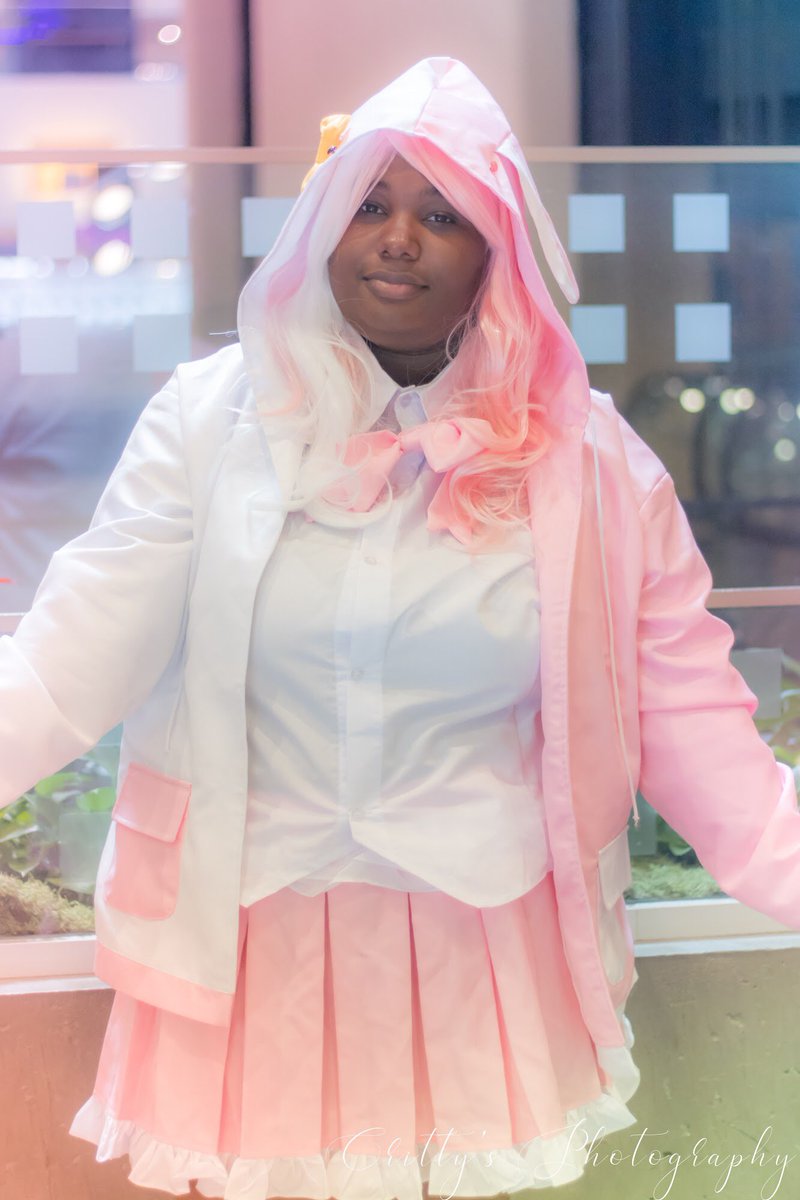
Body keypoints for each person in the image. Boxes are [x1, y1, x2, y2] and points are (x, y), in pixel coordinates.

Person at [1, 56, 799, 1200]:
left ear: (495, 250)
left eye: (441, 215)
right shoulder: (207, 422)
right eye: (369, 204)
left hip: (481, 959)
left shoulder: (590, 461)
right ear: (323, 222)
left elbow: (694, 725)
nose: (397, 239)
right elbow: (65, 664)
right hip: (249, 952)